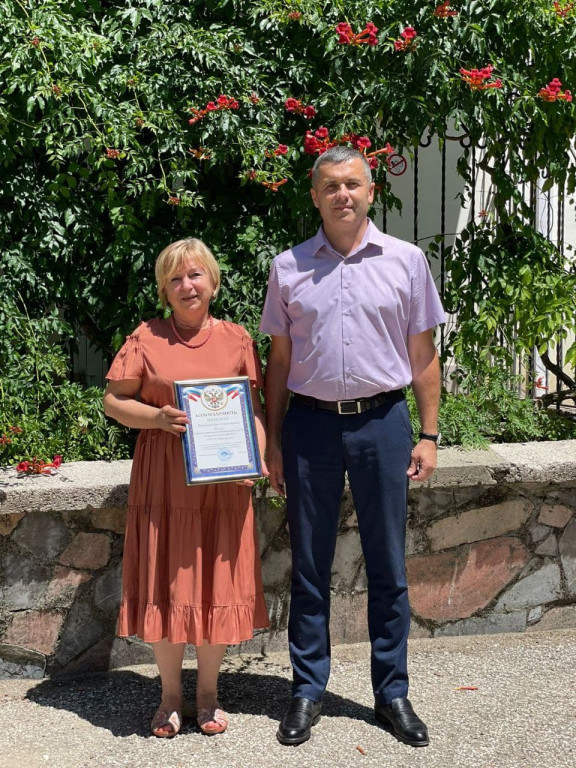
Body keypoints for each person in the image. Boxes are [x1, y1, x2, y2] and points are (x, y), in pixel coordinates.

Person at [260, 146, 445, 748]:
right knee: (309, 566)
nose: (343, 194)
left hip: (383, 423)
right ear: (315, 196)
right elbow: (279, 361)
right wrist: (272, 440)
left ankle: (392, 692)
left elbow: (423, 355)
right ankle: (307, 690)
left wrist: (429, 434)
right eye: (331, 186)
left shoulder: (406, 261)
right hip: (310, 427)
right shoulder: (288, 267)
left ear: (370, 192)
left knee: (388, 562)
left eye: (352, 184)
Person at [104, 237, 269, 738]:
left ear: (213, 282)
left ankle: (209, 695)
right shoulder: (146, 337)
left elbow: (253, 412)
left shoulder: (237, 339)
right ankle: (170, 697)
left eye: (195, 275)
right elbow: (113, 401)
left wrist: (256, 458)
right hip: (165, 483)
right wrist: (156, 417)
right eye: (174, 278)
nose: (186, 285)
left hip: (223, 486)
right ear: (164, 290)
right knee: (169, 583)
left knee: (217, 585)